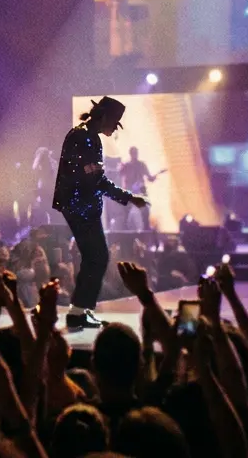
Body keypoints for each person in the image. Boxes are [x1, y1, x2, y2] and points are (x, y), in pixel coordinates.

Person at [52, 97, 148, 329]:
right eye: (115, 122)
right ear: (103, 117)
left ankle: (80, 311)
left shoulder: (89, 137)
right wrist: (129, 197)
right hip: (79, 206)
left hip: (82, 206)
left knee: (96, 257)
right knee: (98, 256)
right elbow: (97, 180)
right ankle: (78, 312)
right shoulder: (83, 138)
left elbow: (95, 179)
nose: (115, 128)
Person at [118, 147, 163, 232]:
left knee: (145, 208)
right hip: (130, 190)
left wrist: (158, 174)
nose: (135, 155)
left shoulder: (141, 165)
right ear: (131, 154)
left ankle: (146, 226)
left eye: (136, 153)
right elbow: (120, 174)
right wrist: (121, 168)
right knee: (128, 209)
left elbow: (150, 178)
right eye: (133, 153)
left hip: (141, 189)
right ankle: (127, 228)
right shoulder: (127, 165)